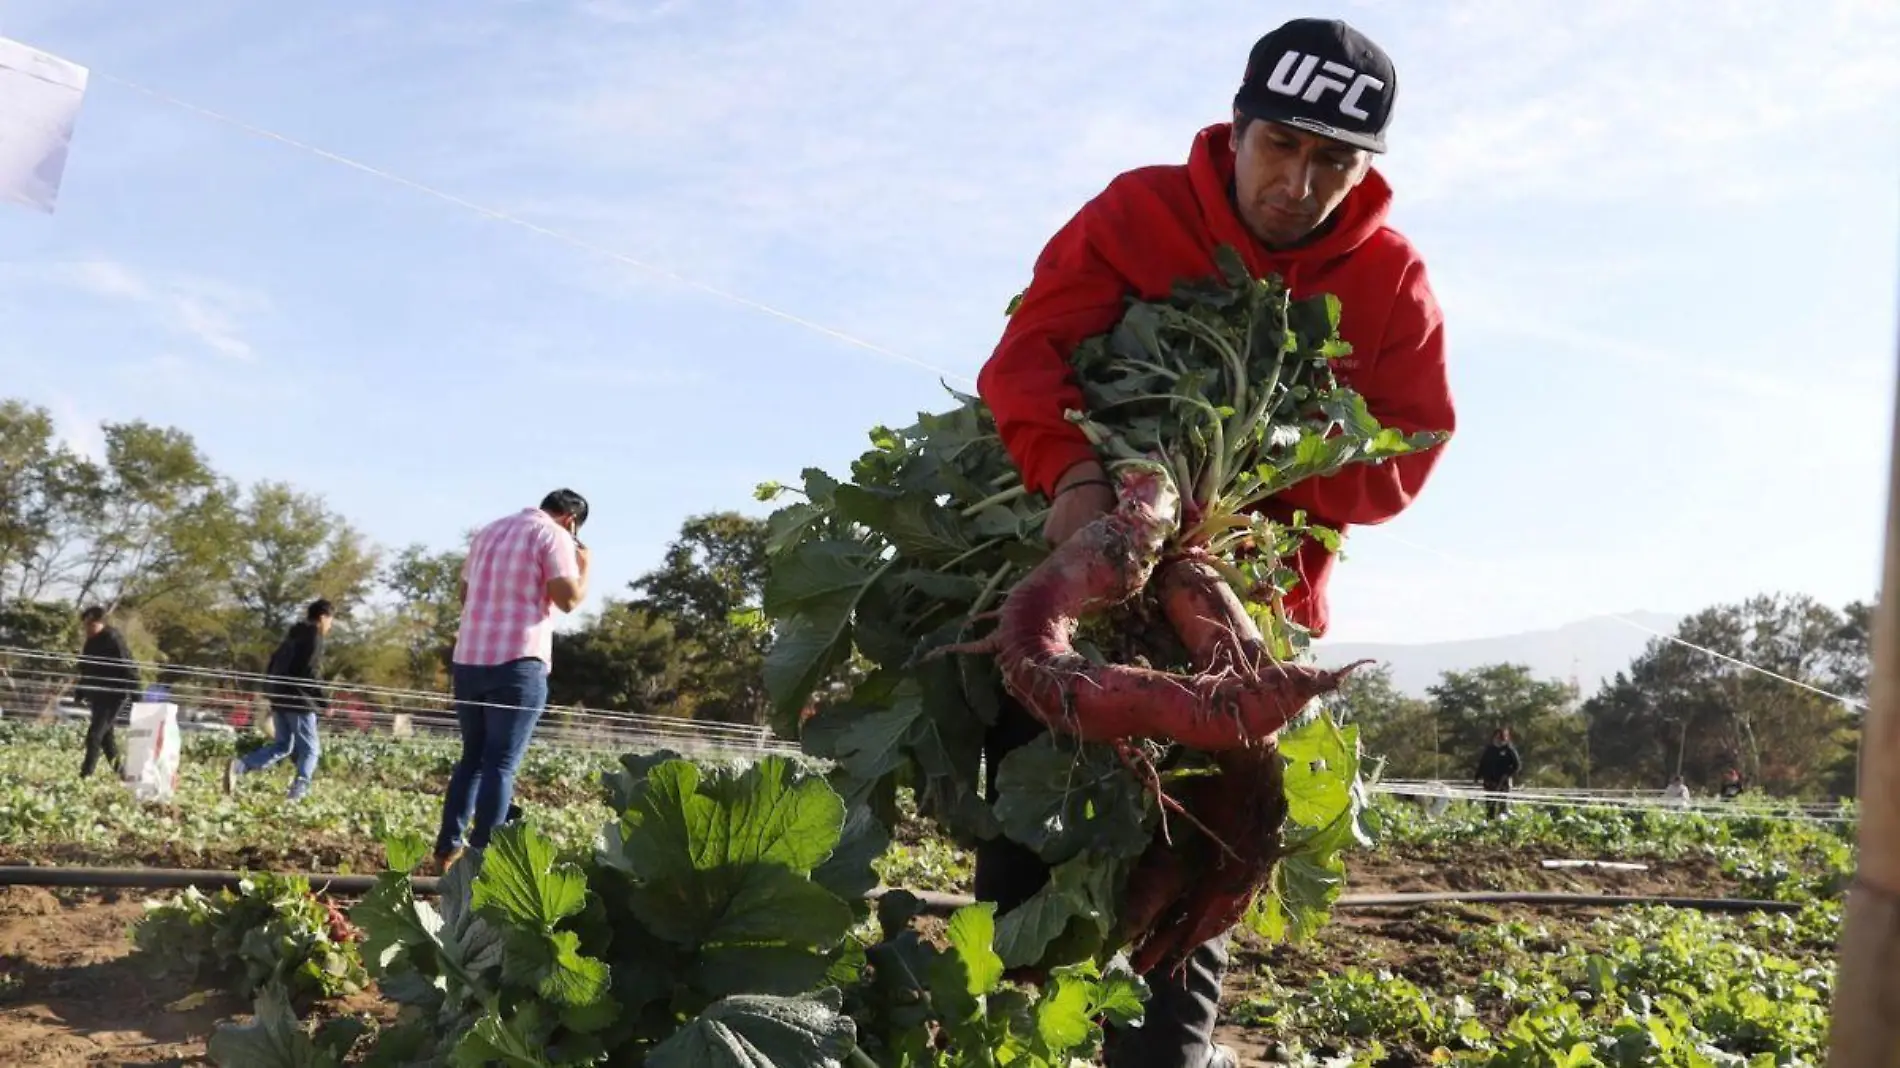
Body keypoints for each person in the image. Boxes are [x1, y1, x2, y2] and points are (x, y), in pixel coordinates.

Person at [973, 18, 1455, 1068]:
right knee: (1024, 864)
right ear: (1236, 130)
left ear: (1363, 166)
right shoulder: (1138, 212)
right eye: (1281, 144)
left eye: (1333, 159)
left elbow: (1406, 455)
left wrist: (1246, 490)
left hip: (1231, 625)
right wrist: (1083, 479)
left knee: (1191, 892)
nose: (1300, 178)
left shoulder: (1389, 277)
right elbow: (1026, 359)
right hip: (1091, 578)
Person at [431, 489, 591, 875]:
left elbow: (465, 594)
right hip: (517, 660)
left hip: (469, 658)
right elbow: (567, 600)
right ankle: (483, 857)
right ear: (570, 521)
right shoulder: (552, 535)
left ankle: (446, 849)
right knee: (501, 763)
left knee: (472, 759)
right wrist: (584, 566)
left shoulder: (489, 531)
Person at [225, 599, 334, 801]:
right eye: (330, 620)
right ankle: (298, 791)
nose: (330, 626)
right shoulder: (314, 637)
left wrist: (273, 694)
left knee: (283, 745)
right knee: (311, 750)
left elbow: (272, 666)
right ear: (322, 617)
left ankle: (240, 766)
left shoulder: (291, 637)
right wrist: (324, 702)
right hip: (299, 702)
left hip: (279, 699)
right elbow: (310, 673)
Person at [75, 605, 139, 779]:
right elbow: (85, 668)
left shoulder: (113, 639)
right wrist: (80, 691)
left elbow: (129, 666)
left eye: (91, 625)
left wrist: (136, 695)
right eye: (85, 625)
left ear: (100, 622)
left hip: (113, 695)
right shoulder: (90, 642)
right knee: (106, 738)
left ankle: (85, 775)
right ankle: (122, 773)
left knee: (94, 735)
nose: (87, 629)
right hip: (97, 694)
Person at [1474, 727, 1522, 819]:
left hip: (1503, 783)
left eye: (1500, 737)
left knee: (1502, 805)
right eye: (1496, 737)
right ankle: (1489, 821)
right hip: (1489, 782)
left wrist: (1507, 774)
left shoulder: (1509, 750)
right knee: (1490, 805)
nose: (1498, 740)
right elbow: (1482, 764)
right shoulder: (1489, 750)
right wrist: (1477, 776)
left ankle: (1502, 823)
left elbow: (1517, 765)